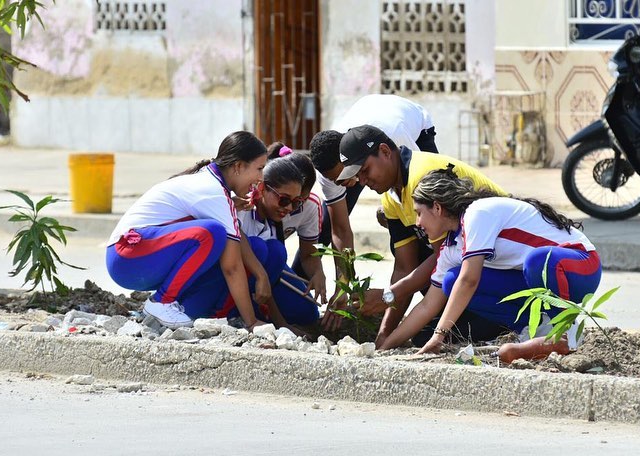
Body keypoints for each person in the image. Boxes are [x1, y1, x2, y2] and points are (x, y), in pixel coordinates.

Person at [377, 168, 602, 354]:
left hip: (581, 267)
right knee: (451, 280)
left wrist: (439, 335)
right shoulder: (451, 247)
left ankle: (566, 333)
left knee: (537, 261)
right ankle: (535, 330)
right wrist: (385, 346)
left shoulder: (477, 214)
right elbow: (427, 305)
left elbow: (470, 280)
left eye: (419, 213)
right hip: (537, 281)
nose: (417, 223)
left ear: (437, 207)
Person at [336, 125, 507, 346]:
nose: (362, 181)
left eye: (365, 170)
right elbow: (404, 267)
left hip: (502, 261)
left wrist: (388, 295)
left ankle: (500, 320)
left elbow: (444, 258)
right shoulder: (390, 197)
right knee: (421, 333)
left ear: (385, 152)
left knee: (436, 317)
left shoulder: (421, 178)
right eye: (358, 176)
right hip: (474, 261)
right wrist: (384, 335)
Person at [106, 131, 271, 331]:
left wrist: (260, 273)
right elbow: (232, 267)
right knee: (212, 233)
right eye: (259, 169)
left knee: (251, 246)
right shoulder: (213, 192)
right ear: (238, 166)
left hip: (135, 258)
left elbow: (237, 240)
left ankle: (190, 310)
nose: (261, 178)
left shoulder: (213, 186)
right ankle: (161, 302)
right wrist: (252, 322)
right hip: (127, 258)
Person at [306, 95, 438, 322]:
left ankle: (435, 301)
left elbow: (415, 183)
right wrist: (344, 284)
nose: (350, 183)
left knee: (426, 223)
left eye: (350, 175)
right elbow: (340, 230)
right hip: (366, 123)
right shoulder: (329, 173)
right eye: (339, 182)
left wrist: (397, 211)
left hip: (412, 126)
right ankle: (298, 289)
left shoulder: (395, 139)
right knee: (326, 226)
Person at [235, 146, 323, 326]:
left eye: (298, 202)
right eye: (284, 199)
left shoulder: (273, 225)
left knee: (308, 313)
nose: (289, 208)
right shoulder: (241, 206)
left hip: (264, 270)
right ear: (262, 187)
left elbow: (307, 253)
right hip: (228, 275)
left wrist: (318, 273)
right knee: (260, 249)